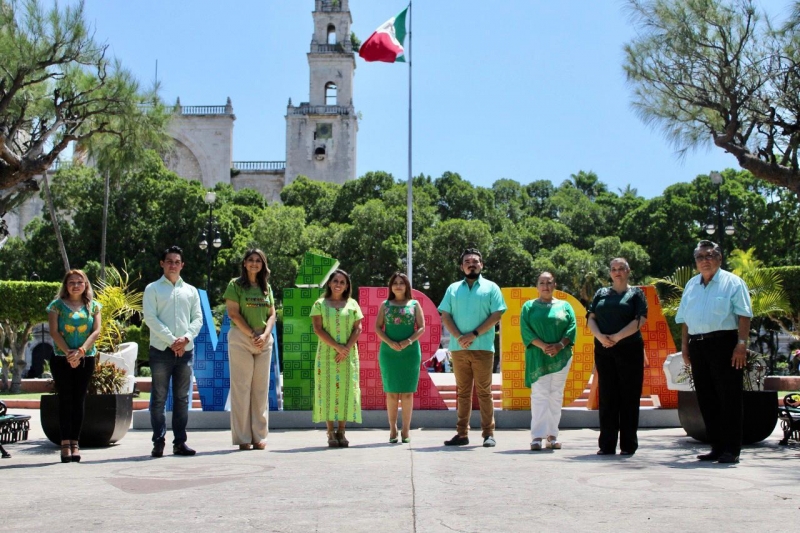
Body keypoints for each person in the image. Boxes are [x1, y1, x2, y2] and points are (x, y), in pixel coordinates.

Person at [676, 240, 752, 464]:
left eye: (709, 256)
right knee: (706, 398)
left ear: (719, 258)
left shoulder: (733, 283)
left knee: (728, 397)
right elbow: (684, 320)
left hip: (725, 344)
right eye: (700, 257)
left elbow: (744, 315)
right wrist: (684, 346)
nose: (705, 260)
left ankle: (731, 449)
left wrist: (741, 345)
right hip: (698, 345)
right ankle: (716, 447)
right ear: (695, 262)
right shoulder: (691, 285)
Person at [438, 248, 507, 447]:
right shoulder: (453, 289)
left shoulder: (491, 287)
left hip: (483, 347)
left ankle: (488, 433)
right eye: (467, 261)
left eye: (475, 261)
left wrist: (473, 334)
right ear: (462, 267)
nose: (471, 264)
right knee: (463, 392)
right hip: (458, 348)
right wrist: (460, 337)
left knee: (484, 392)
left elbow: (496, 315)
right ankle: (462, 434)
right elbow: (446, 315)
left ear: (481, 265)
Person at [143, 245, 203, 458]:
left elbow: (198, 319)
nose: (173, 265)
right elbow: (150, 318)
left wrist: (185, 338)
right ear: (162, 263)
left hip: (185, 351)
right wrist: (171, 340)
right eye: (169, 261)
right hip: (161, 351)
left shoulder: (191, 291)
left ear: (182, 265)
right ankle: (158, 441)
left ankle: (180, 442)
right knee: (159, 398)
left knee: (182, 398)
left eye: (177, 262)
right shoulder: (152, 289)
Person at [587, 258, 648, 456]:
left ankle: (628, 445)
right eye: (614, 269)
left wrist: (617, 337)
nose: (617, 272)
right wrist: (600, 337)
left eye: (621, 269)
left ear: (628, 271)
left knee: (629, 397)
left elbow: (641, 319)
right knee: (607, 396)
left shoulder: (636, 293)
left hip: (629, 349)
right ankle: (606, 444)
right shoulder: (601, 293)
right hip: (604, 349)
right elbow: (591, 318)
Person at [223, 249, 276, 451]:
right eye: (251, 260)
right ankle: (243, 437)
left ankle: (259, 436)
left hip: (264, 340)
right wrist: (252, 335)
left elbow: (272, 315)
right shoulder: (235, 285)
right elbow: (233, 313)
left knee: (260, 390)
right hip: (242, 339)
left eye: (258, 261)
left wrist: (264, 335)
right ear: (244, 263)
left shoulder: (266, 287)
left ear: (263, 265)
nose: (254, 263)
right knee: (241, 388)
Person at [47, 269, 102, 463]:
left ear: (85, 285)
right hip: (61, 358)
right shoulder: (56, 306)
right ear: (66, 285)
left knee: (79, 400)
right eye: (72, 282)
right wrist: (69, 353)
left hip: (86, 358)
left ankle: (75, 443)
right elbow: (54, 332)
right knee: (65, 399)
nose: (76, 285)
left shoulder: (93, 306)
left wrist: (81, 351)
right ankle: (64, 444)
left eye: (80, 282)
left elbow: (96, 331)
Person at [520, 272, 577, 451]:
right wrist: (544, 346)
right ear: (537, 286)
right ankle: (536, 437)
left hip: (561, 356)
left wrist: (559, 345)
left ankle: (552, 436)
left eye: (549, 282)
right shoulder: (528, 307)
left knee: (556, 395)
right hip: (538, 356)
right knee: (539, 395)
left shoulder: (565, 306)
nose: (545, 286)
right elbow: (526, 331)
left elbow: (572, 327)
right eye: (542, 282)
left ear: (554, 285)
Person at [310, 269, 363, 447]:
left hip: (348, 356)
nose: (338, 284)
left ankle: (342, 431)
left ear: (347, 285)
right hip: (326, 356)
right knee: (326, 391)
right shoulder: (319, 304)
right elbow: (318, 329)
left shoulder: (353, 304)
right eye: (335, 281)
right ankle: (330, 432)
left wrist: (346, 348)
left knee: (346, 391)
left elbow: (358, 328)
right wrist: (337, 347)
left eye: (342, 282)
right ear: (329, 283)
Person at [375, 272, 425, 443]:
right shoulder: (385, 305)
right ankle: (392, 428)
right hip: (389, 353)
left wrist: (408, 341)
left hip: (409, 353)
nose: (398, 285)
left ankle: (406, 430)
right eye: (394, 282)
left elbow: (421, 327)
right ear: (390, 286)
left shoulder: (415, 304)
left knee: (407, 394)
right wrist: (390, 343)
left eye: (401, 283)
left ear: (407, 286)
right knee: (391, 393)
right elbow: (378, 328)